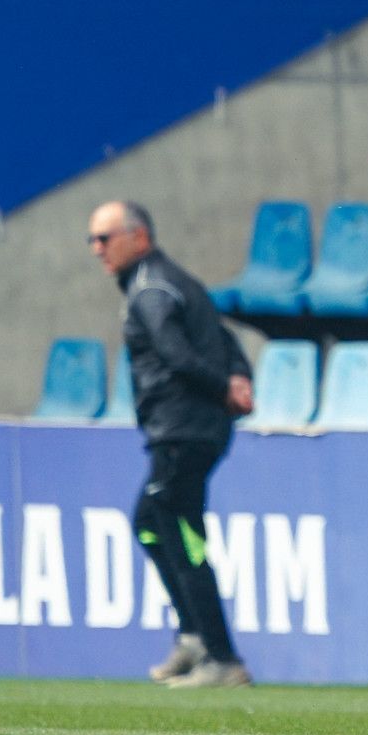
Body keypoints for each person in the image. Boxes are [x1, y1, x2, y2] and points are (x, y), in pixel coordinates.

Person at [88, 200, 256, 690]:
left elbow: (175, 354)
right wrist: (238, 375)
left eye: (105, 238)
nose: (97, 249)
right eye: (93, 240)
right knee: (150, 524)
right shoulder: (174, 281)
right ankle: (194, 636)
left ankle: (221, 657)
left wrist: (225, 387)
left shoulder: (151, 290)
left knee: (182, 536)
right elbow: (224, 339)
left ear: (139, 238)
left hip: (183, 431)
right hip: (188, 432)